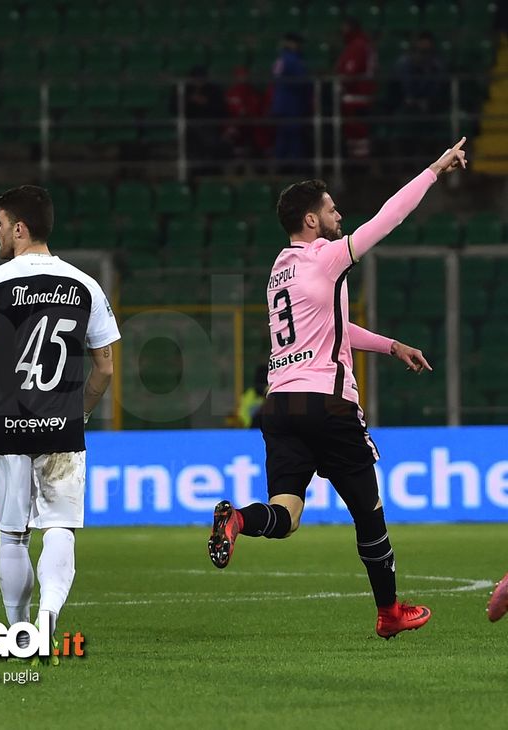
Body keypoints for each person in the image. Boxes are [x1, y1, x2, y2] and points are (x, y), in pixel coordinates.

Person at [208, 138, 468, 639]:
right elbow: (387, 219)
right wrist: (434, 169)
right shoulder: (326, 258)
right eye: (329, 209)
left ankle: (239, 519)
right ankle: (389, 612)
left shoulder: (280, 272)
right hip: (327, 404)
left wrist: (390, 345)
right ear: (311, 221)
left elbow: (333, 328)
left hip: (279, 405)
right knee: (369, 514)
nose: (338, 214)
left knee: (287, 512)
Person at [0, 185, 120, 664]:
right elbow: (105, 367)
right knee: (61, 528)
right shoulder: (85, 284)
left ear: (20, 229)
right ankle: (49, 618)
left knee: (12, 534)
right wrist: (81, 411)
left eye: (2, 224)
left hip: (7, 422)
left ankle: (19, 631)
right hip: (63, 424)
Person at [335, 17, 377, 159]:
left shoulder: (357, 45)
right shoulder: (362, 44)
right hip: (361, 96)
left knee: (358, 135)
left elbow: (349, 74)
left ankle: (359, 166)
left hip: (356, 97)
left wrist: (340, 82)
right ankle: (359, 164)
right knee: (357, 136)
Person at [269, 32, 311, 166]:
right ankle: (294, 168)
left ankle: (281, 166)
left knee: (283, 137)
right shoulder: (292, 59)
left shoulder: (282, 59)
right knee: (293, 138)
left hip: (282, 104)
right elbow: (302, 81)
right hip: (292, 103)